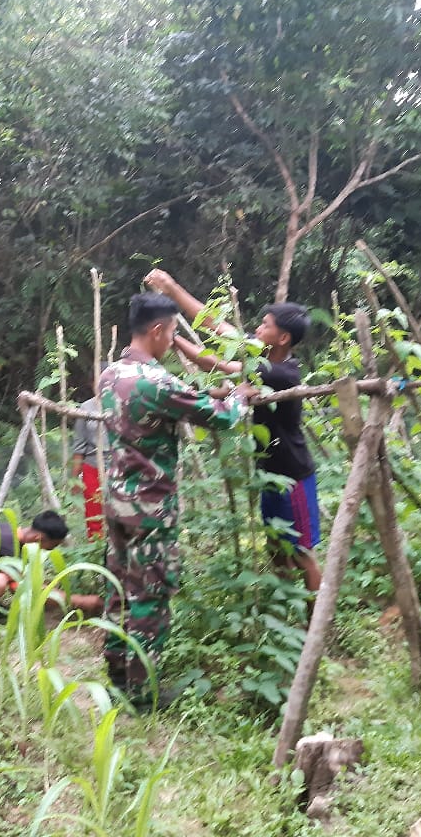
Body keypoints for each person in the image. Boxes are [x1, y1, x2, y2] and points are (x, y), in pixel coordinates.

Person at [100, 292, 257, 707]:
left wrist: (211, 390)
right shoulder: (157, 382)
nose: (172, 341)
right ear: (156, 330)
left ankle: (116, 673)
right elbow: (222, 417)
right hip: (150, 508)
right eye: (171, 332)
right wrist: (238, 396)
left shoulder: (111, 373)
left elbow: (177, 399)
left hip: (116, 499)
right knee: (150, 592)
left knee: (118, 588)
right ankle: (142, 691)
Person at [143, 269, 323, 594]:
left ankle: (315, 626)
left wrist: (172, 317)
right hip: (270, 472)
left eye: (265, 325)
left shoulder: (280, 372)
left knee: (302, 554)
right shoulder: (264, 362)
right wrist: (174, 310)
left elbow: (217, 358)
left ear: (283, 339)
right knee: (277, 549)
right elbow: (217, 331)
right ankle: (285, 615)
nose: (257, 328)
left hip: (292, 476)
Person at [70, 395, 104, 542]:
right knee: (94, 512)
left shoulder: (122, 401)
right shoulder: (86, 407)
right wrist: (75, 478)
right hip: (92, 466)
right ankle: (96, 550)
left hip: (118, 466)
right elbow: (79, 443)